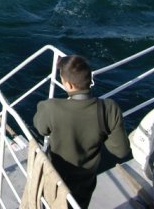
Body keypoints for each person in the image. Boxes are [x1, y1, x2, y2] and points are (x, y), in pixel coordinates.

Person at [32, 55, 131, 209]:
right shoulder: (109, 109)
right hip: (85, 184)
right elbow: (121, 151)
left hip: (56, 180)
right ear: (89, 80)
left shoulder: (51, 108)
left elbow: (41, 128)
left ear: (69, 85)